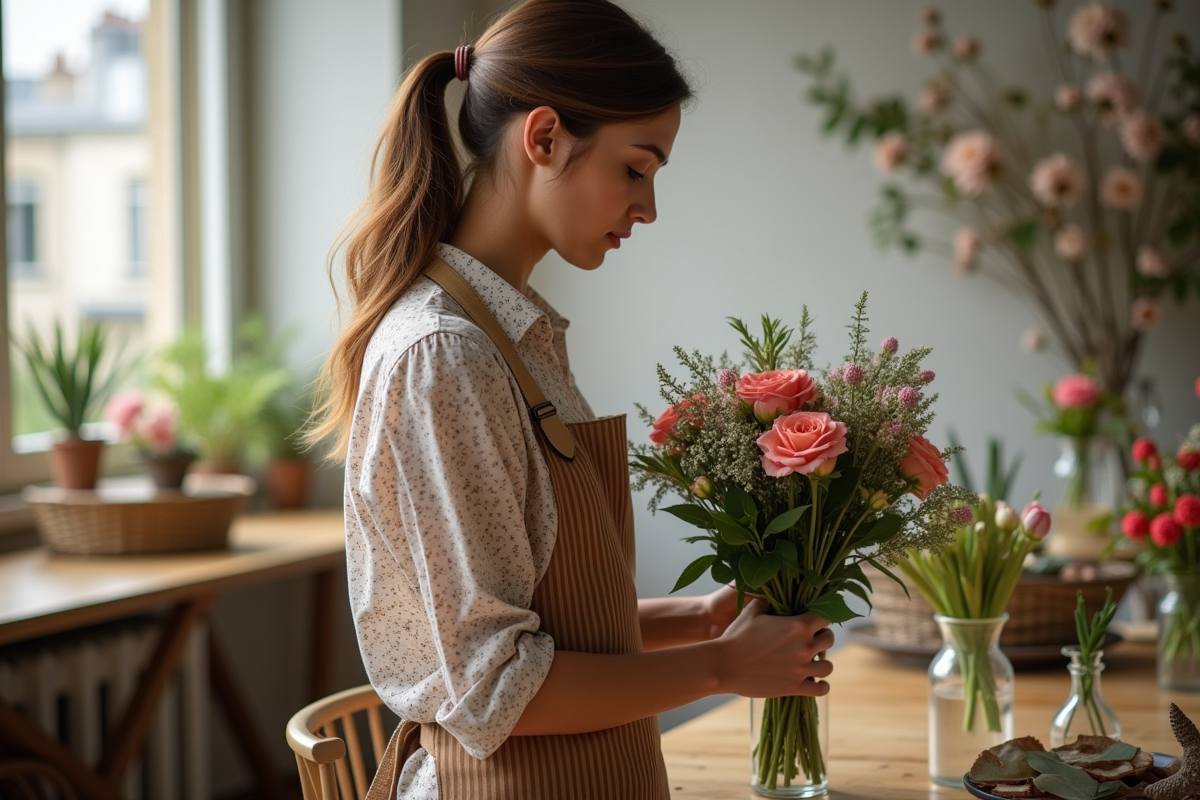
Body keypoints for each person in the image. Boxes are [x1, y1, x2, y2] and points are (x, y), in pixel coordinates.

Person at [308, 1, 835, 797]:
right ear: (544, 137)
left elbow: (536, 625)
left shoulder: (512, 339)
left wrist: (701, 621)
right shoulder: (445, 354)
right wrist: (722, 667)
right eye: (636, 167)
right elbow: (497, 687)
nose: (647, 208)